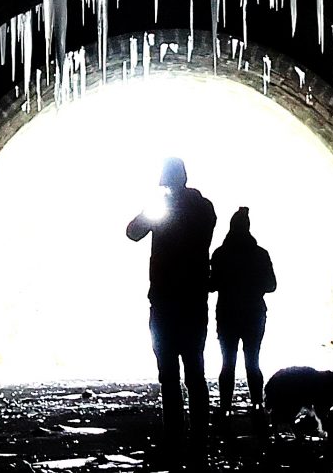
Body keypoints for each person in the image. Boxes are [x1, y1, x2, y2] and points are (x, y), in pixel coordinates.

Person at [125, 157, 219, 456]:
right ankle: (199, 437)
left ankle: (174, 435)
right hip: (193, 301)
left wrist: (154, 206)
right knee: (195, 371)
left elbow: (132, 232)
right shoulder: (204, 208)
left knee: (168, 373)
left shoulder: (163, 209)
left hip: (165, 301)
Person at [208, 206, 277, 409]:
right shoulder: (260, 254)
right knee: (253, 362)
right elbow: (271, 286)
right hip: (254, 314)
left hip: (227, 314)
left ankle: (225, 407)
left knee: (227, 363)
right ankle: (257, 404)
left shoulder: (220, 254)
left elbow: (211, 286)